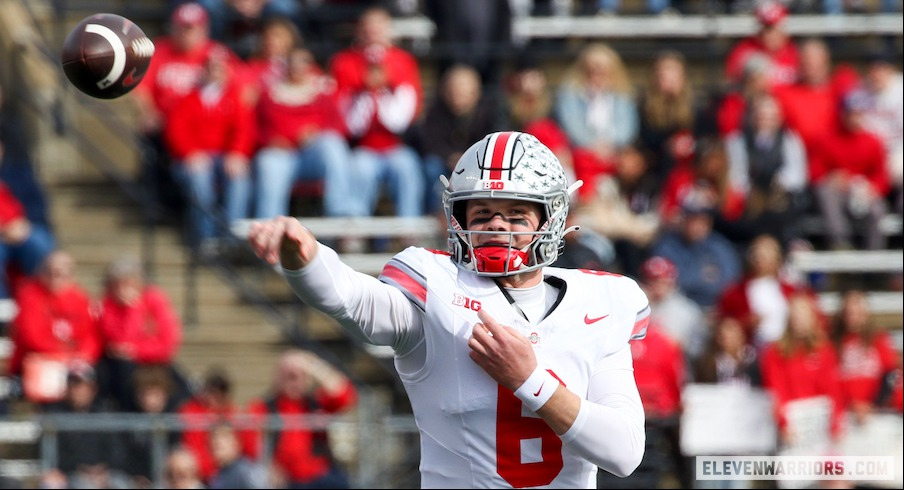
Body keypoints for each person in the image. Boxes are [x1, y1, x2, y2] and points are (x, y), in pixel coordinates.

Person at [247, 131, 649, 487]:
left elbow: (624, 452)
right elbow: (354, 301)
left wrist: (529, 380)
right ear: (458, 218)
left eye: (515, 215)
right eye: (483, 213)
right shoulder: (436, 287)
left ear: (551, 219)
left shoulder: (601, 302)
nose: (496, 226)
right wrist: (306, 259)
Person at [329, 6, 425, 219]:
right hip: (362, 147)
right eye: (367, 27)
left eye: (378, 26)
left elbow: (411, 107)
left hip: (395, 145)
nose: (372, 32)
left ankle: (409, 229)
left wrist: (386, 94)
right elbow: (340, 109)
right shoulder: (344, 62)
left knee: (408, 168)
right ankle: (354, 227)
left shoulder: (403, 60)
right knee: (359, 169)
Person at [165, 45, 255, 252]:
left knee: (240, 179)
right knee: (199, 177)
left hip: (224, 158)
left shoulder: (236, 99)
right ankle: (207, 238)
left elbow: (244, 129)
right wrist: (190, 153)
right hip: (193, 160)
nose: (215, 72)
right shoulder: (186, 99)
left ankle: (232, 238)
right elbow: (176, 131)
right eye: (211, 67)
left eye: (220, 68)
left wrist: (237, 153)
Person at [253, 47, 354, 221]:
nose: (297, 67)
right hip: (281, 156)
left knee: (332, 143)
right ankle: (271, 227)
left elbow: (340, 127)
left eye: (303, 62)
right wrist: (269, 141)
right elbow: (255, 128)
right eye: (293, 63)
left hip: (312, 155)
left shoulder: (322, 93)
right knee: (268, 162)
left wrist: (317, 133)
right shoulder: (270, 94)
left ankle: (340, 213)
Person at [242, 349, 357, 489]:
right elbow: (248, 441)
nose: (295, 382)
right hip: (287, 480)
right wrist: (267, 468)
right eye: (290, 376)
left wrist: (314, 366)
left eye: (301, 376)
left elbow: (345, 395)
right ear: (278, 377)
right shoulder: (264, 408)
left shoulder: (318, 404)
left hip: (322, 476)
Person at [7, 251, 102, 404]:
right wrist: (63, 354)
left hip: (72, 360)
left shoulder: (80, 298)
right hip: (37, 361)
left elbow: (90, 335)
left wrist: (83, 355)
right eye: (50, 273)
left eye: (60, 274)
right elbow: (31, 336)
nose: (54, 279)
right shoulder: (29, 296)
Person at [95, 254, 185, 410]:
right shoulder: (107, 306)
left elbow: (168, 343)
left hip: (154, 363)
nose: (122, 291)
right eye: (117, 285)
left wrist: (136, 349)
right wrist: (129, 310)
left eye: (128, 284)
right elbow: (117, 340)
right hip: (121, 367)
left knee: (179, 386)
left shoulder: (155, 300)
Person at [410, 64, 499, 216]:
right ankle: (437, 211)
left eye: (463, 94)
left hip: (476, 164)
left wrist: (467, 158)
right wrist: (449, 156)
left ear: (475, 93)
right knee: (431, 167)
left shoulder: (488, 113)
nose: (458, 98)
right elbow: (429, 141)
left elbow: (492, 142)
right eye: (453, 92)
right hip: (444, 163)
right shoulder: (435, 111)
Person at [554, 43, 638, 202]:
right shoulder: (571, 94)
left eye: (602, 70)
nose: (597, 75)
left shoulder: (622, 96)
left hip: (614, 151)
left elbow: (627, 128)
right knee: (581, 161)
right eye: (592, 70)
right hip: (582, 151)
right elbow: (571, 125)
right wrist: (594, 144)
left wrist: (609, 145)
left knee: (630, 163)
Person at [831, 289, 897, 425]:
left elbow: (890, 375)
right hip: (845, 412)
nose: (852, 316)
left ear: (865, 312)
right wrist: (851, 404)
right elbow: (829, 379)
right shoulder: (834, 342)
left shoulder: (878, 338)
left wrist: (871, 405)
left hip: (876, 411)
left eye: (857, 311)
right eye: (849, 312)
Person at [178, 367, 241, 484]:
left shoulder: (231, 411)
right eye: (212, 391)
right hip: (198, 474)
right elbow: (193, 445)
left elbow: (236, 449)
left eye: (221, 391)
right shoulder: (191, 410)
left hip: (227, 473)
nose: (215, 396)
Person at [724, 0, 799, 90]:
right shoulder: (743, 52)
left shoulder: (795, 53)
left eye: (773, 28)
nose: (768, 34)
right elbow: (732, 86)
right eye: (765, 28)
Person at [0, 178, 55, 299]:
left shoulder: (13, 180)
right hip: (4, 234)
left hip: (17, 231)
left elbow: (35, 210)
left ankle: (39, 295)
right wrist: (4, 228)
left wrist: (23, 225)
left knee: (39, 241)